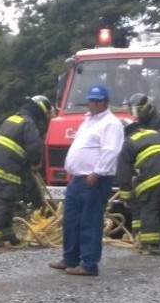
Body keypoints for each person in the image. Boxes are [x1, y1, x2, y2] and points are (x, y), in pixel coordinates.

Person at [48, 84, 124, 276]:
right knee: (71, 221)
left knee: (90, 221)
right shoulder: (88, 122)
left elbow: (111, 151)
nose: (93, 104)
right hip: (77, 179)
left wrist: (97, 173)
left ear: (105, 102)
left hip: (94, 179)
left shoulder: (111, 124)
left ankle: (89, 264)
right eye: (91, 100)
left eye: (98, 101)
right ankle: (70, 259)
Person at [0, 95, 55, 247]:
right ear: (40, 111)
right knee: (3, 202)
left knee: (6, 202)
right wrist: (35, 164)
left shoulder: (13, 119)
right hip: (5, 169)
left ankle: (7, 235)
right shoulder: (29, 124)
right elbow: (34, 147)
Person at [116, 118, 160, 255]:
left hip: (153, 177)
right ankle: (150, 235)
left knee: (149, 207)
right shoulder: (154, 133)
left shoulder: (129, 142)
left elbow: (124, 172)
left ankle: (149, 245)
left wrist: (125, 196)